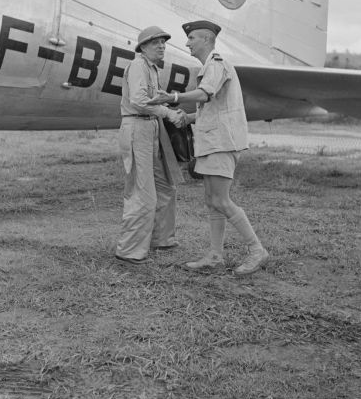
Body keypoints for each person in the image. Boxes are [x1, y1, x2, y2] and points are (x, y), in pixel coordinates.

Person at [147, 20, 269, 276]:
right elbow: (211, 108)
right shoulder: (211, 66)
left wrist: (173, 98)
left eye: (191, 38)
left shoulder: (216, 63)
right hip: (213, 141)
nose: (187, 43)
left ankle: (256, 250)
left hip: (221, 142)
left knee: (221, 200)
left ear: (205, 39)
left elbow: (205, 94)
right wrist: (186, 117)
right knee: (212, 201)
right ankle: (215, 255)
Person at [115, 26, 187, 265]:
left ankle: (161, 238)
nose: (161, 46)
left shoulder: (152, 69)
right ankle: (129, 250)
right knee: (142, 191)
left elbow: (149, 99)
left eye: (163, 42)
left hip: (151, 126)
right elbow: (138, 100)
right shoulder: (138, 66)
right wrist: (167, 112)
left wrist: (167, 104)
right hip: (138, 127)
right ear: (142, 47)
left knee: (166, 185)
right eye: (155, 42)